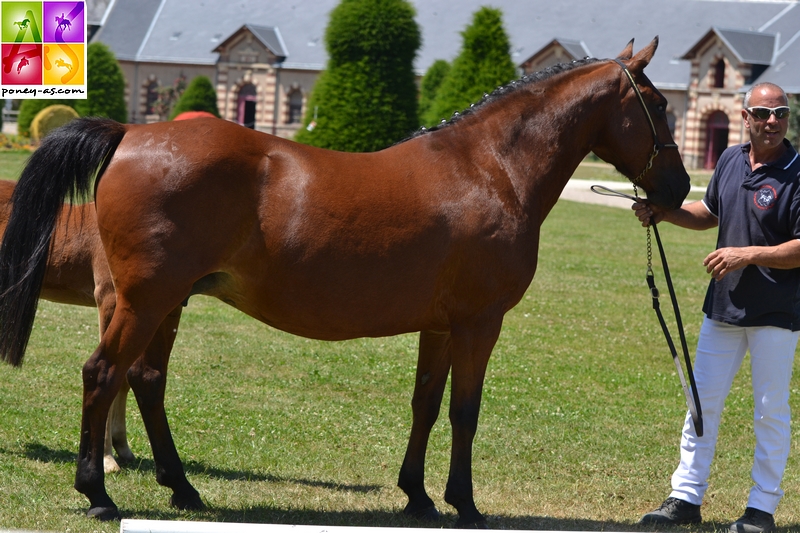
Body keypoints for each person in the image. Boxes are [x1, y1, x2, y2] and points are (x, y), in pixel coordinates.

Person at [633, 82, 799, 533]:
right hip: (722, 308)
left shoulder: (798, 171)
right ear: (745, 117)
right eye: (763, 113)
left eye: (780, 113)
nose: (772, 121)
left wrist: (744, 255)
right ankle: (686, 496)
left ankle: (761, 509)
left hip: (776, 313)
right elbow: (708, 213)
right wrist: (661, 211)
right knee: (700, 402)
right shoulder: (729, 160)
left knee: (769, 411)